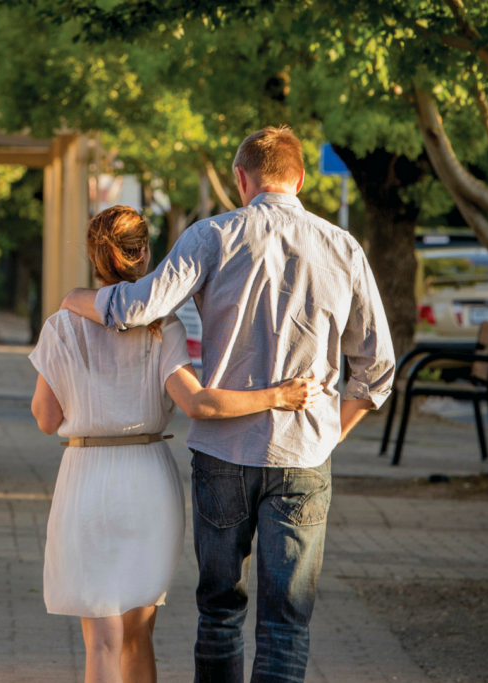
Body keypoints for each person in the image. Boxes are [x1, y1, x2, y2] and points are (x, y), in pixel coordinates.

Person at [61, 127, 396, 683]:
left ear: (241, 178)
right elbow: (377, 369)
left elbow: (139, 307)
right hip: (303, 456)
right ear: (301, 178)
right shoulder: (344, 248)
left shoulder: (211, 236)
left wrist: (80, 300)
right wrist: (328, 433)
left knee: (219, 612)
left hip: (223, 455)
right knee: (287, 622)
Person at [30, 204, 326, 683]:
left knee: (100, 640)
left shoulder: (60, 326)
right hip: (147, 476)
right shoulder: (163, 327)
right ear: (145, 254)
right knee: (136, 635)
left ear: (93, 255)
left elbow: (46, 418)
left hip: (84, 477)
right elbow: (198, 405)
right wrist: (278, 395)